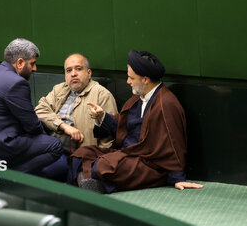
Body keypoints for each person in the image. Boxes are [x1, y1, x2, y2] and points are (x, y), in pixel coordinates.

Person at [68, 50, 203, 193]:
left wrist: (177, 178)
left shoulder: (166, 104)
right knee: (81, 155)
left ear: (145, 79)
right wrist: (102, 116)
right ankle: (93, 183)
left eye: (131, 78)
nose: (128, 82)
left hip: (149, 164)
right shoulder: (137, 98)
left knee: (102, 165)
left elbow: (175, 143)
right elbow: (123, 126)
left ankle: (96, 183)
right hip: (127, 154)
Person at [0, 38, 63, 174]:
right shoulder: (16, 83)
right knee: (55, 146)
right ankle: (10, 176)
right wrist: (48, 134)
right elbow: (32, 126)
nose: (35, 69)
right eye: (32, 64)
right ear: (20, 63)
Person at [34, 53, 118, 180]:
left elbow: (109, 139)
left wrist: (93, 164)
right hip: (49, 146)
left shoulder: (102, 95)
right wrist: (64, 126)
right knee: (20, 164)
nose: (73, 74)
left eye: (78, 69)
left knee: (39, 172)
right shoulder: (60, 89)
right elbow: (40, 110)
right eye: (69, 70)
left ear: (89, 73)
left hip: (73, 156)